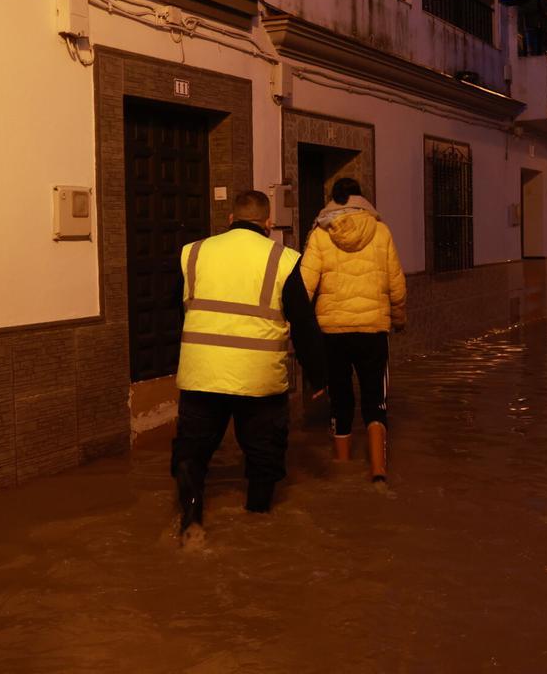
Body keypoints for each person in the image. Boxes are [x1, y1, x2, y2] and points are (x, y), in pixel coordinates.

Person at [171, 190, 326, 544]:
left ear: (229, 220)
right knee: (263, 453)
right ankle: (258, 519)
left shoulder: (194, 253)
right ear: (268, 223)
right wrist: (318, 374)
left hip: (202, 373)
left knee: (192, 450)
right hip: (259, 378)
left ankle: (192, 519)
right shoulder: (283, 259)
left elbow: (176, 308)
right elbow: (303, 322)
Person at [300, 178, 405, 485]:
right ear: (362, 198)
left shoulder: (321, 234)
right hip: (372, 331)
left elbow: (305, 284)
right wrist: (398, 317)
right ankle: (378, 472)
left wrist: (298, 326)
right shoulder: (381, 231)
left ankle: (341, 466)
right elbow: (396, 282)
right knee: (376, 401)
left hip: (332, 332)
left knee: (341, 399)